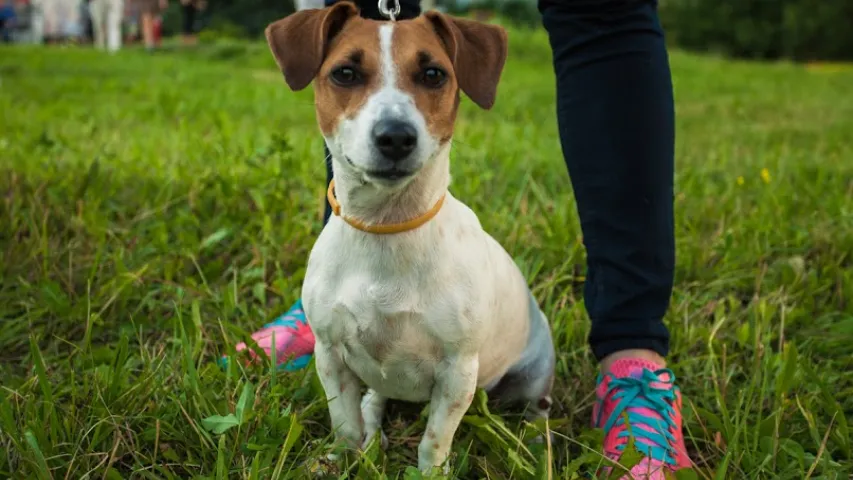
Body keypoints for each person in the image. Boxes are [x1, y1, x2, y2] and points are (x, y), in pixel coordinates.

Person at [224, 0, 692, 477]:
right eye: (348, 75)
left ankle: (632, 357)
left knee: (601, 10)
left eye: (429, 78)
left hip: (491, 358)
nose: (394, 123)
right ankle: (336, 322)